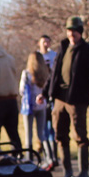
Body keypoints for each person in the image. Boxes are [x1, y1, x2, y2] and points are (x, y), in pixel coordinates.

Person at [47, 16, 89, 177]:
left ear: (80, 32)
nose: (71, 34)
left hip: (77, 99)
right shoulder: (63, 47)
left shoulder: (87, 51)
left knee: (80, 135)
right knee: (60, 134)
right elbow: (54, 74)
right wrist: (45, 92)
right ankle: (67, 171)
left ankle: (83, 172)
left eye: (74, 31)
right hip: (60, 98)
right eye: (69, 31)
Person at [19, 48, 51, 164]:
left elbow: (21, 90)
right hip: (42, 106)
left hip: (29, 107)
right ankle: (49, 156)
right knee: (41, 133)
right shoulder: (46, 74)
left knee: (29, 134)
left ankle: (29, 158)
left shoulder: (27, 74)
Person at [37, 35, 58, 165]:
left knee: (52, 127)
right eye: (43, 41)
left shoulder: (54, 55)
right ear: (39, 43)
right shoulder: (36, 56)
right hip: (40, 95)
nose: (46, 44)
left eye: (48, 41)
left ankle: (54, 156)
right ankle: (47, 156)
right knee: (43, 128)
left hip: (52, 95)